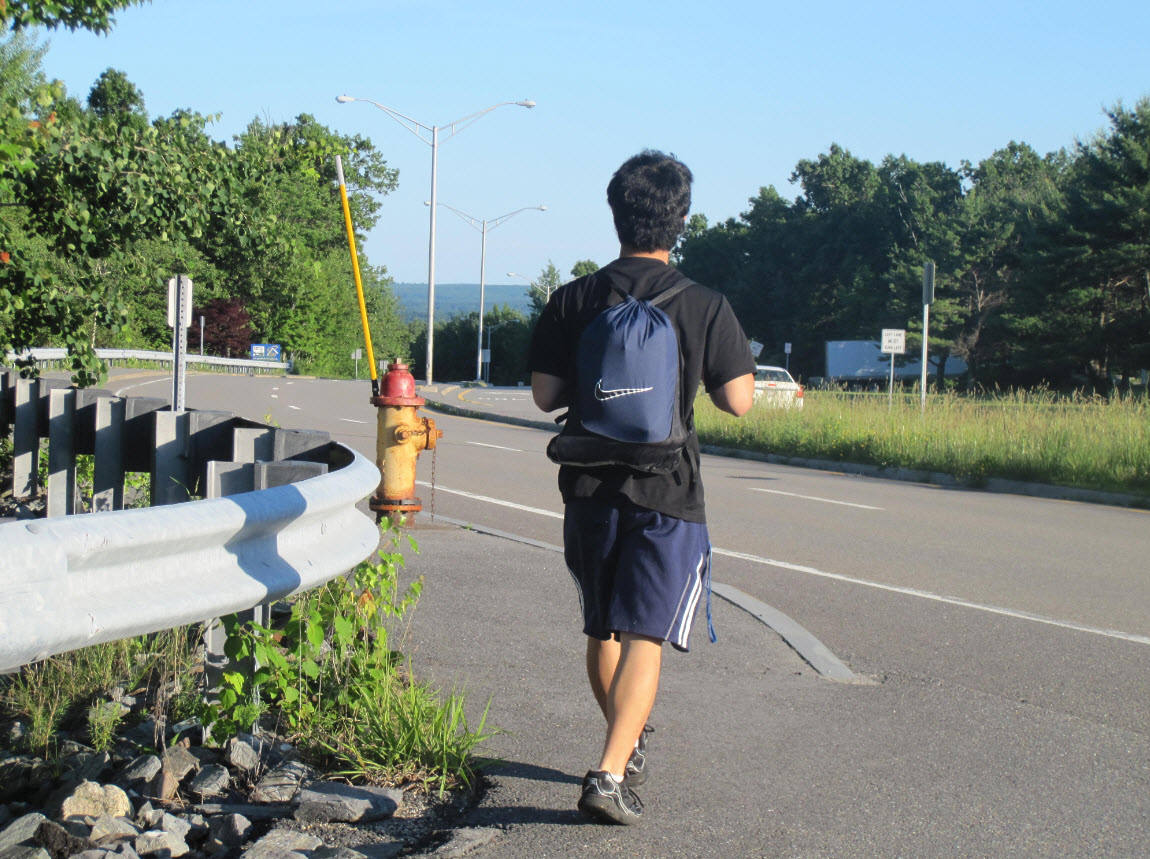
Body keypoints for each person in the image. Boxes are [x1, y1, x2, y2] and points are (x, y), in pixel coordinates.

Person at [528, 150, 756, 825]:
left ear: (616, 214)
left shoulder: (573, 298)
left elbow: (544, 396)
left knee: (602, 626)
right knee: (645, 635)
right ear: (679, 221)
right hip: (668, 491)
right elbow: (738, 400)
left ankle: (623, 743)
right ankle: (608, 770)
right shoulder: (704, 304)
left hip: (590, 487)